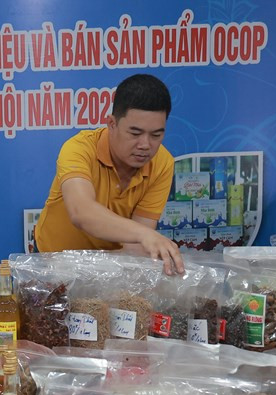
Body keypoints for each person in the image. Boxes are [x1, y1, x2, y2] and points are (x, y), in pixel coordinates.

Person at [34, 74, 185, 275]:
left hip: (110, 268)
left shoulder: (162, 163)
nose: (145, 145)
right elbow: (81, 212)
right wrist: (145, 235)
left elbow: (134, 246)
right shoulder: (79, 149)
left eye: (156, 135)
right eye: (135, 133)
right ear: (112, 124)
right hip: (54, 263)